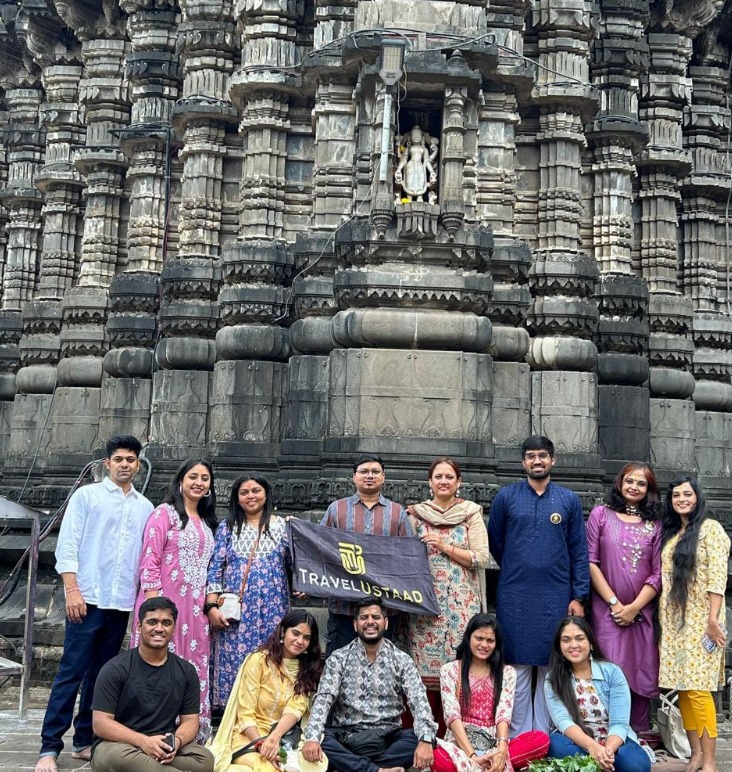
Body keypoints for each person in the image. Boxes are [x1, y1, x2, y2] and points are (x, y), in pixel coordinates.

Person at [35, 435, 154, 772]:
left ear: (138, 464)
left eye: (131, 460)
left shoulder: (145, 507)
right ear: (108, 463)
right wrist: (72, 591)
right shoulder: (87, 497)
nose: (125, 465)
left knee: (103, 676)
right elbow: (67, 546)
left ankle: (85, 740)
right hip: (86, 598)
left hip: (120, 602)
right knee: (70, 672)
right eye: (119, 459)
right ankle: (49, 747)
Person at [487, 435, 590, 736]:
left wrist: (578, 596)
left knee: (551, 666)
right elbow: (496, 542)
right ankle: (518, 739)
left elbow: (578, 551)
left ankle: (544, 738)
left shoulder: (568, 500)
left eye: (543, 455)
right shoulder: (506, 498)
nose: (537, 461)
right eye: (531, 456)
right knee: (516, 667)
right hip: (516, 592)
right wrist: (523, 563)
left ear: (552, 460)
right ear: (523, 462)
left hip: (556, 594)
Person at [132, 459, 218, 741]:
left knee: (192, 668)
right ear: (180, 481)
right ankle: (152, 730)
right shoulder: (164, 514)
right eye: (193, 476)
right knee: (158, 666)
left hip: (196, 612)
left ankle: (190, 734)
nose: (199, 482)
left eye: (205, 478)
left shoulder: (206, 523)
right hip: (164, 604)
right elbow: (149, 562)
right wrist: (154, 610)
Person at [301, 595, 437, 772]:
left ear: (386, 623)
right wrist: (312, 738)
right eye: (364, 618)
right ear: (355, 624)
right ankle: (378, 770)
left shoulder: (402, 660)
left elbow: (419, 701)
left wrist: (425, 739)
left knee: (425, 739)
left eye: (376, 617)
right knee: (322, 740)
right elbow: (323, 700)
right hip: (347, 736)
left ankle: (358, 768)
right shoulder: (338, 658)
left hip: (389, 737)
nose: (370, 622)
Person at [91, 596, 214, 772]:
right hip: (121, 745)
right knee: (115, 758)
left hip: (162, 744)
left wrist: (176, 743)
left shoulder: (186, 671)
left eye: (166, 623)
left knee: (205, 759)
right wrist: (144, 742)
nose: (159, 628)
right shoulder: (115, 668)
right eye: (152, 622)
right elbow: (101, 723)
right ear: (140, 626)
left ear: (173, 628)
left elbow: (190, 722)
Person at [659, 476, 730, 772]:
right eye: (676, 495)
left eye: (687, 494)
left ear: (698, 497)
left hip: (703, 622)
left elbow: (717, 576)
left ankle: (710, 760)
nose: (681, 499)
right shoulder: (675, 535)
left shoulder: (710, 530)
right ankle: (696, 754)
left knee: (700, 690)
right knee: (684, 689)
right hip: (676, 625)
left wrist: (713, 619)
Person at [586, 462, 661, 733]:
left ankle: (637, 736)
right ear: (620, 483)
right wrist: (616, 605)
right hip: (607, 611)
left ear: (649, 490)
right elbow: (591, 562)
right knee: (609, 668)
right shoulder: (601, 515)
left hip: (642, 614)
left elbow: (657, 572)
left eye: (642, 483)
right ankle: (604, 736)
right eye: (630, 481)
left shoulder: (655, 525)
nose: (634, 487)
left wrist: (633, 608)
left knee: (641, 670)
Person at [205, 473, 290, 712]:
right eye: (244, 493)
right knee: (233, 660)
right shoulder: (227, 527)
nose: (250, 496)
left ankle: (265, 713)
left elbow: (297, 565)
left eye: (256, 491)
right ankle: (227, 715)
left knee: (270, 657)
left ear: (266, 494)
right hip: (235, 612)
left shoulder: (282, 526)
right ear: (237, 498)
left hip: (273, 609)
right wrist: (211, 606)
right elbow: (215, 568)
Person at [209, 610, 327, 772]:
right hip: (247, 737)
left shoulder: (306, 669)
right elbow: (245, 714)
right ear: (283, 631)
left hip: (283, 737)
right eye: (296, 633)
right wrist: (261, 744)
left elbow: (295, 709)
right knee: (267, 768)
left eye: (306, 638)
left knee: (316, 765)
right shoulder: (258, 661)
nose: (300, 641)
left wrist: (275, 738)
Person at [408, 458, 490, 682]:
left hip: (462, 604)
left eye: (449, 477)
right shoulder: (416, 515)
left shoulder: (470, 513)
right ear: (430, 482)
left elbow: (481, 558)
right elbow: (403, 558)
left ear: (458, 482)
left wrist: (445, 547)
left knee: (462, 668)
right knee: (423, 673)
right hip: (424, 604)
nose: (444, 481)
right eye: (438, 477)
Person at [432, 614, 549, 772]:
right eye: (479, 638)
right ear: (468, 638)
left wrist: (501, 751)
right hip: (459, 746)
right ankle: (485, 767)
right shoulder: (450, 670)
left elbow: (503, 714)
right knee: (436, 758)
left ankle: (492, 764)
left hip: (494, 744)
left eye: (490, 641)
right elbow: (452, 716)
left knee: (540, 740)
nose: (484, 645)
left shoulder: (507, 673)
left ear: (496, 644)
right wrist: (473, 756)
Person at [321, 454, 413, 655]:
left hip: (385, 608)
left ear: (383, 477)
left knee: (383, 665)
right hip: (344, 606)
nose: (369, 476)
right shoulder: (336, 509)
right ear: (354, 477)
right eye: (364, 472)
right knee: (339, 662)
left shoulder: (398, 513)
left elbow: (409, 557)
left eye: (375, 472)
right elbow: (319, 547)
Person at [543, 616, 650, 772]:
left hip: (613, 741)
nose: (573, 645)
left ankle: (600, 765)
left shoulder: (612, 672)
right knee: (556, 747)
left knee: (636, 765)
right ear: (559, 646)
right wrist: (593, 748)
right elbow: (563, 722)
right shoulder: (552, 679)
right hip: (577, 742)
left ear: (591, 643)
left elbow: (619, 723)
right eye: (566, 640)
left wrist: (606, 752)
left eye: (580, 639)